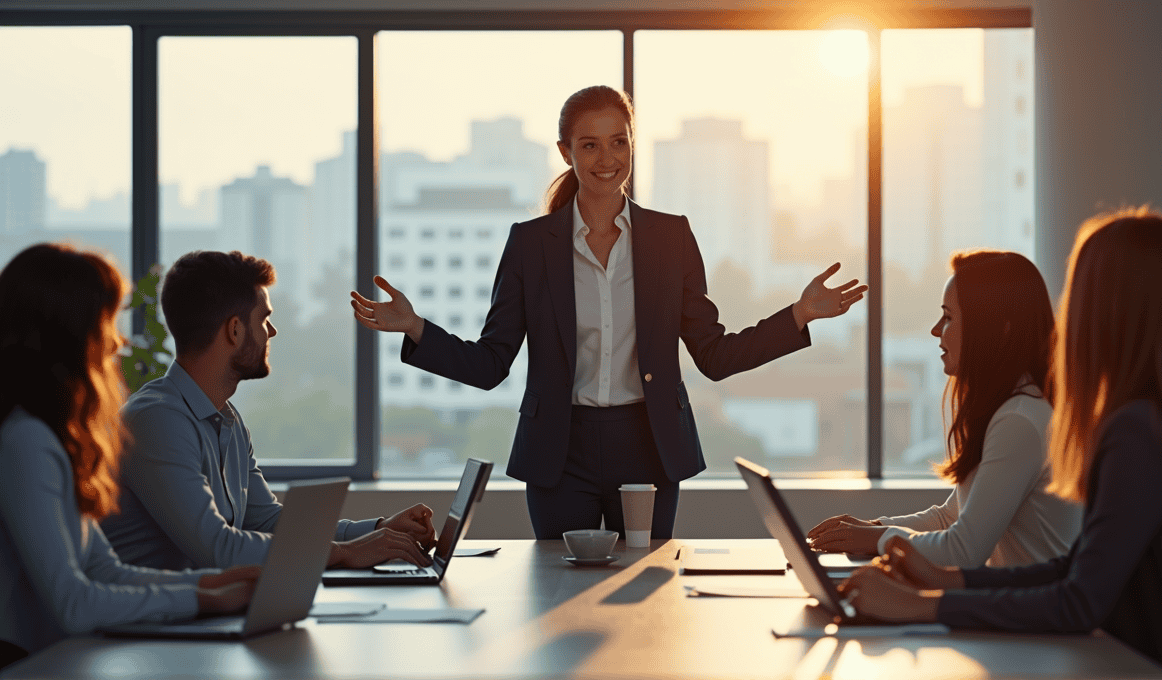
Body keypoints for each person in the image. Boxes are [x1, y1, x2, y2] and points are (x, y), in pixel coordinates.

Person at [350, 85, 867, 540]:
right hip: (559, 451)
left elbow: (714, 354)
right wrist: (416, 328)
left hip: (648, 446)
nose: (606, 158)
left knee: (643, 599)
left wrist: (798, 314)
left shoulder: (670, 237)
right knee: (557, 597)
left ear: (633, 145)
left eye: (619, 141)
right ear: (565, 151)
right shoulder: (530, 245)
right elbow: (490, 364)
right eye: (589, 144)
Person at [841, 208, 1162, 678]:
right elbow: (1078, 565)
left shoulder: (1136, 432)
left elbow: (1079, 601)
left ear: (1105, 310)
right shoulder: (1160, 419)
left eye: (1077, 295)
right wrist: (949, 581)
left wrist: (925, 607)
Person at [0, 244, 261, 671]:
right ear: (68, 331)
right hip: (31, 664)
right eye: (106, 321)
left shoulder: (54, 436)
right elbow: (74, 602)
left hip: (65, 658)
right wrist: (201, 598)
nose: (117, 339)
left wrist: (215, 582)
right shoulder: (26, 441)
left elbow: (106, 570)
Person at [101, 250, 436, 571]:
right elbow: (217, 548)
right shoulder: (157, 420)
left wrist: (377, 530)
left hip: (201, 615)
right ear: (234, 330)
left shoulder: (227, 420)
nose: (271, 332)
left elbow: (267, 521)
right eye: (264, 319)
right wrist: (345, 553)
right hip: (149, 625)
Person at [808, 251, 1082, 567]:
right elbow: (950, 518)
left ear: (1000, 329)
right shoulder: (1010, 410)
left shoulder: (1019, 421)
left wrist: (876, 539)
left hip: (1031, 614)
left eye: (949, 317)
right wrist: (873, 529)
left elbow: (963, 551)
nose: (936, 330)